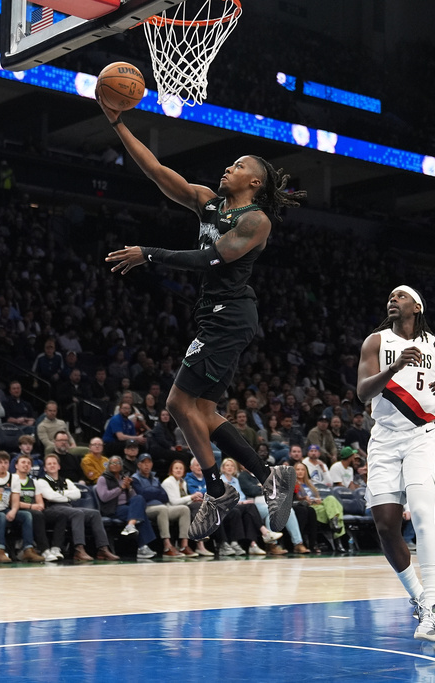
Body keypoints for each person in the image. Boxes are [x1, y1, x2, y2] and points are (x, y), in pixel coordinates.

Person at [99, 96, 303, 541]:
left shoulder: (257, 219)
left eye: (238, 165)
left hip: (229, 315)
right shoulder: (209, 203)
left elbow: (215, 258)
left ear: (254, 180)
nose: (228, 168)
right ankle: (270, 477)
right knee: (205, 414)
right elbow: (156, 171)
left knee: (176, 404)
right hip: (216, 315)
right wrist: (118, 124)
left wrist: (148, 253)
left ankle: (216, 489)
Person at [355, 285, 435, 642]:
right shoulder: (375, 342)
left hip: (422, 436)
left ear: (417, 306)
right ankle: (420, 597)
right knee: (386, 525)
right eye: (389, 296)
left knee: (422, 513)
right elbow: (363, 392)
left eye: (400, 296)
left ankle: (434, 605)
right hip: (384, 439)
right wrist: (393, 367)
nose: (392, 299)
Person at [37, 452, 120, 561]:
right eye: (49, 464)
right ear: (45, 468)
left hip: (68, 507)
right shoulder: (42, 481)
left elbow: (77, 494)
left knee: (94, 513)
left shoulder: (66, 480)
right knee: (77, 513)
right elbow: (50, 496)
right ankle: (79, 549)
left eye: (54, 463)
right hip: (51, 509)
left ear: (59, 466)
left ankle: (103, 549)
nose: (52, 465)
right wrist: (67, 495)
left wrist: (60, 495)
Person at [0, 450, 43, 563]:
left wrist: (14, 511)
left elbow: (15, 500)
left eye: (5, 462)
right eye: (0, 462)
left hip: (4, 509)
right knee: (0, 516)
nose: (3, 465)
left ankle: (28, 549)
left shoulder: (13, 478)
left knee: (26, 515)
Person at [96, 454, 157, 559]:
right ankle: (142, 547)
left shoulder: (124, 478)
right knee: (140, 514)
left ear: (121, 466)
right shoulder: (103, 479)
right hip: (113, 508)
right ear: (108, 466)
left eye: (118, 463)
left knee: (139, 498)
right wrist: (121, 488)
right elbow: (104, 497)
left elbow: (133, 496)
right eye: (113, 463)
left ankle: (130, 525)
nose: (116, 465)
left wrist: (128, 488)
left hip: (127, 506)